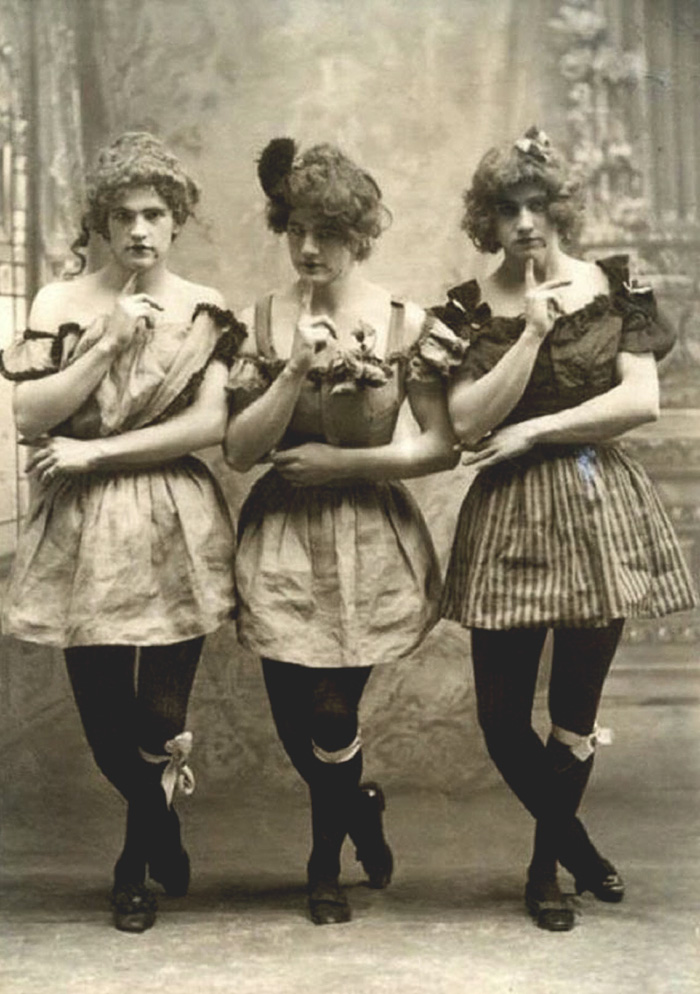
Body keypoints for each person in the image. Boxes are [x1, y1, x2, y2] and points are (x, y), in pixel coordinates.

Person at [432, 126, 698, 931]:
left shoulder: (617, 285)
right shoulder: (468, 308)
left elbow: (638, 402)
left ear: (560, 209)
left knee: (573, 713)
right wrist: (535, 335)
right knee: (501, 720)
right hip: (509, 517)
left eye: (537, 204)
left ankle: (547, 868)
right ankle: (579, 845)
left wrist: (538, 432)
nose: (524, 222)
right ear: (490, 219)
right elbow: (467, 420)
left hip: (593, 506)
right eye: (507, 209)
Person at [0, 133, 244, 932]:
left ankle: (133, 863)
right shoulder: (58, 304)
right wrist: (105, 341)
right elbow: (30, 413)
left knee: (158, 717)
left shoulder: (206, 308)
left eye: (155, 214)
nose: (140, 230)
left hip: (175, 518)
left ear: (176, 222)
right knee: (107, 725)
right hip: (81, 530)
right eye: (123, 215)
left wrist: (96, 450)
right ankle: (159, 817)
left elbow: (209, 425)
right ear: (101, 224)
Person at [224, 139, 462, 925]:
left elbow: (439, 444)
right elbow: (239, 449)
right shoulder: (261, 319)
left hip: (369, 538)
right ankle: (360, 805)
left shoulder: (405, 323)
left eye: (326, 231)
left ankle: (324, 863)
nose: (308, 247)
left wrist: (345, 464)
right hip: (283, 542)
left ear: (360, 233)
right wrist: (291, 371)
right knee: (298, 723)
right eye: (294, 228)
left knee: (332, 711)